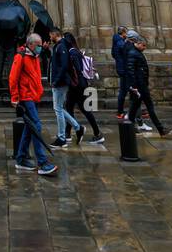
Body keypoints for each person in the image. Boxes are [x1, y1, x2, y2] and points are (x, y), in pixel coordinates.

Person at [9, 34, 57, 176]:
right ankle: (42, 163)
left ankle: (21, 158)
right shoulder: (21, 57)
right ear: (31, 44)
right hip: (25, 97)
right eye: (39, 45)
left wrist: (39, 91)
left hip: (34, 96)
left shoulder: (35, 57)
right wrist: (14, 98)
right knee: (36, 126)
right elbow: (13, 77)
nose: (41, 48)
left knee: (30, 128)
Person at [124, 33, 172, 138]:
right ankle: (161, 129)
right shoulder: (133, 53)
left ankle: (129, 127)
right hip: (139, 86)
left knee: (134, 108)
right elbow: (130, 70)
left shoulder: (136, 52)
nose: (144, 47)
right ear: (137, 43)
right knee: (148, 106)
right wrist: (134, 87)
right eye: (143, 45)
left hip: (140, 85)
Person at [62, 31, 104, 143]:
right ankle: (68, 133)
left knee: (82, 109)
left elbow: (77, 69)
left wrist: (73, 81)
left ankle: (97, 134)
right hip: (79, 85)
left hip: (77, 85)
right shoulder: (76, 51)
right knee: (70, 108)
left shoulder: (72, 53)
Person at [49, 28, 83, 147]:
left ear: (54, 34)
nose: (49, 38)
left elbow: (63, 66)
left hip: (60, 82)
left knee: (58, 109)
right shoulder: (58, 46)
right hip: (59, 81)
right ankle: (78, 128)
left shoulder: (61, 46)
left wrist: (56, 80)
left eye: (50, 35)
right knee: (58, 108)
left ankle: (62, 137)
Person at [111, 25, 129, 119]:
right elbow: (125, 51)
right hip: (124, 69)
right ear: (123, 33)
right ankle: (120, 111)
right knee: (124, 91)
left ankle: (121, 111)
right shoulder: (120, 42)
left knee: (126, 90)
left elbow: (113, 54)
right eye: (126, 32)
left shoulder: (116, 41)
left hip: (121, 68)